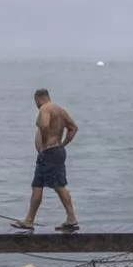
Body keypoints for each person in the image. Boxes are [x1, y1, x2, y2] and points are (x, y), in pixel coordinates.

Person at [12, 88, 80, 231]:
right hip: (53, 152)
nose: (36, 105)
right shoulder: (60, 110)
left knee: (59, 186)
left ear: (39, 98)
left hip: (50, 153)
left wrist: (44, 144)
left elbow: (44, 125)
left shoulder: (45, 108)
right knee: (37, 185)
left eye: (36, 102)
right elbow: (73, 128)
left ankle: (71, 218)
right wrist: (63, 144)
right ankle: (29, 220)